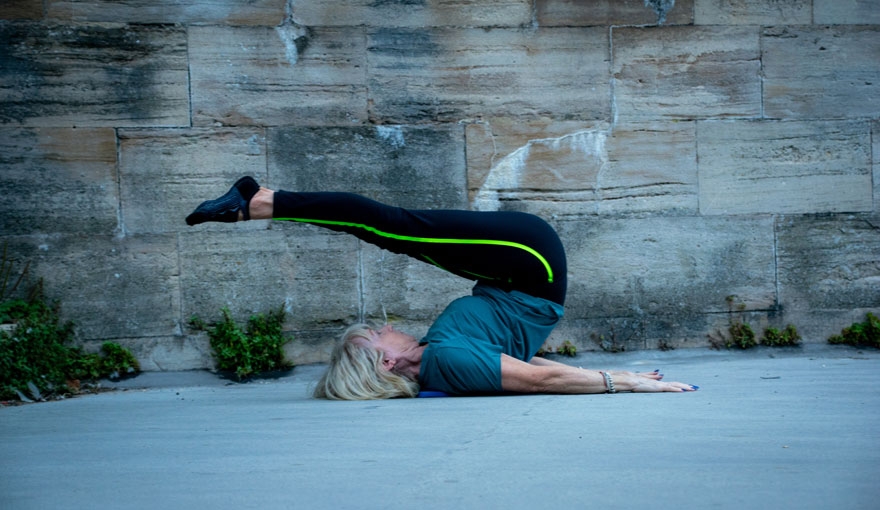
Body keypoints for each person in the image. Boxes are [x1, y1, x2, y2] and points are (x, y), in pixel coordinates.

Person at [186, 176, 698, 399]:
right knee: (392, 225)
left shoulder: (437, 364)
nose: (385, 326)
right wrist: (624, 384)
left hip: (514, 274)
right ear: (385, 363)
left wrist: (606, 370)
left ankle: (258, 202)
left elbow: (529, 364)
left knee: (395, 232)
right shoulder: (446, 363)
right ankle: (259, 201)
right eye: (376, 334)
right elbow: (536, 381)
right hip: (529, 266)